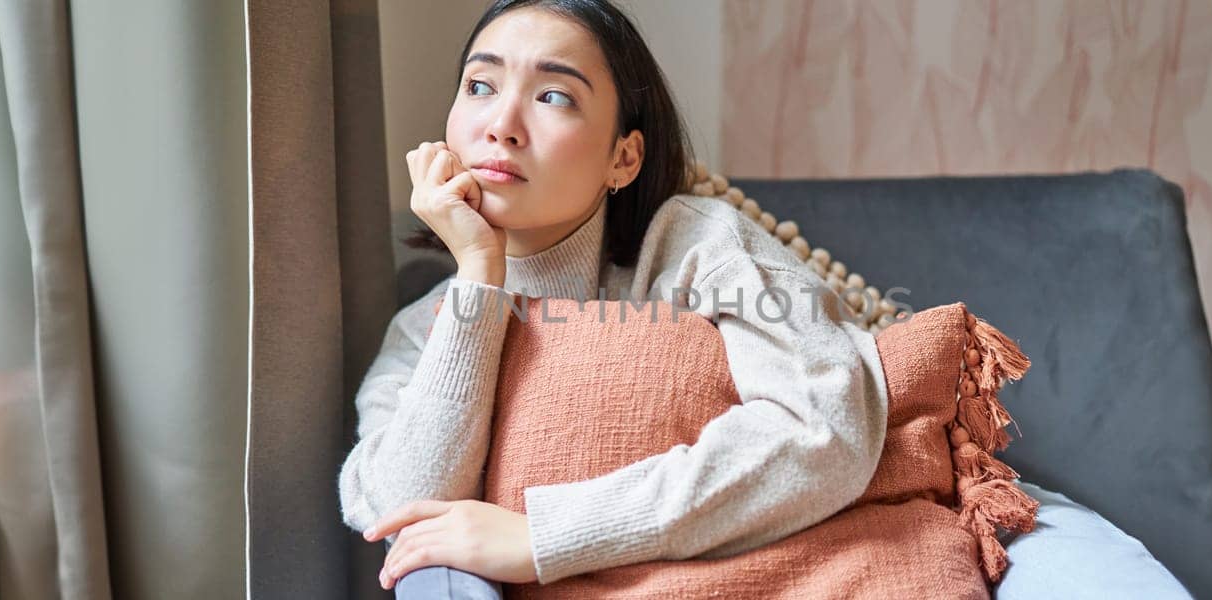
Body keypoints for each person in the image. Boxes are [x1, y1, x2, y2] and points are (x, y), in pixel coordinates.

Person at [336, 1, 889, 597]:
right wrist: (477, 275)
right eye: (480, 85)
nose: (501, 124)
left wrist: (544, 536)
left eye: (553, 96)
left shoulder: (699, 248)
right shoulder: (429, 327)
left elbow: (823, 428)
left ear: (623, 157)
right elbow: (402, 513)